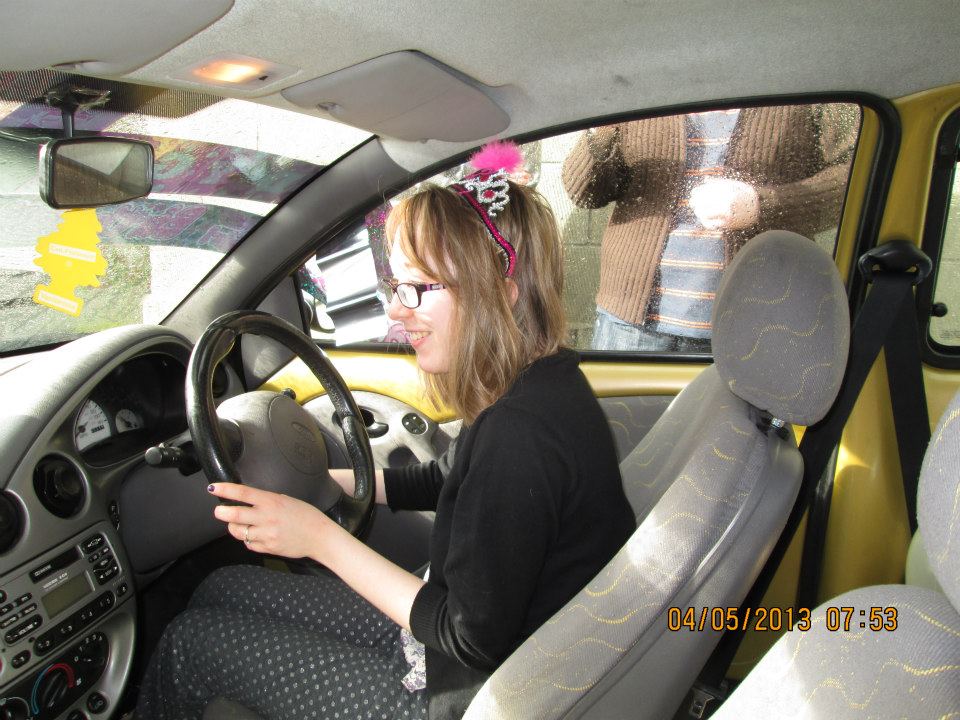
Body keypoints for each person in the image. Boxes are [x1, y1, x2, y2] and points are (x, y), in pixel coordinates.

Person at [135, 141, 636, 720]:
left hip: (456, 692)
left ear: (501, 292)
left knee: (189, 644)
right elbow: (442, 479)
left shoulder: (519, 437)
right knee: (219, 588)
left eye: (417, 289)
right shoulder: (540, 386)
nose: (396, 312)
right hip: (441, 639)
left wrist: (319, 538)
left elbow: (473, 637)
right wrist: (327, 478)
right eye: (396, 288)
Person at [561, 104, 858, 352]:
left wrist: (761, 205)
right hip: (629, 324)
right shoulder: (649, 78)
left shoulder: (801, 84)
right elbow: (584, 191)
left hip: (756, 326)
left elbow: (859, 176)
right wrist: (604, 119)